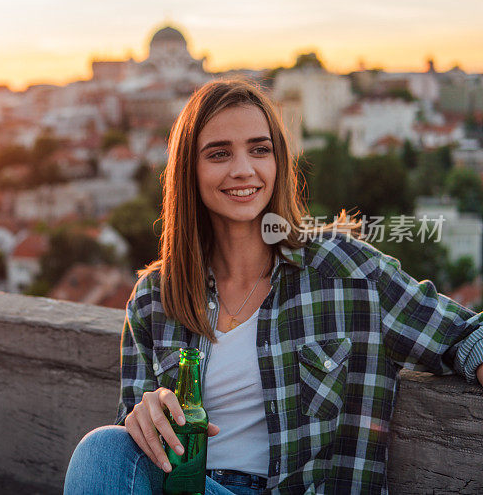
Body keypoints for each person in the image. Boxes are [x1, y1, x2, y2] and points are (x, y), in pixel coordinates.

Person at [63, 78, 483, 494]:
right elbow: (128, 462)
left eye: (259, 149)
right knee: (104, 449)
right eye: (219, 153)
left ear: (278, 161)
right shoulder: (155, 298)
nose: (243, 169)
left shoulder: (348, 272)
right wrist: (143, 417)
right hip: (188, 486)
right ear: (189, 170)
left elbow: (464, 336)